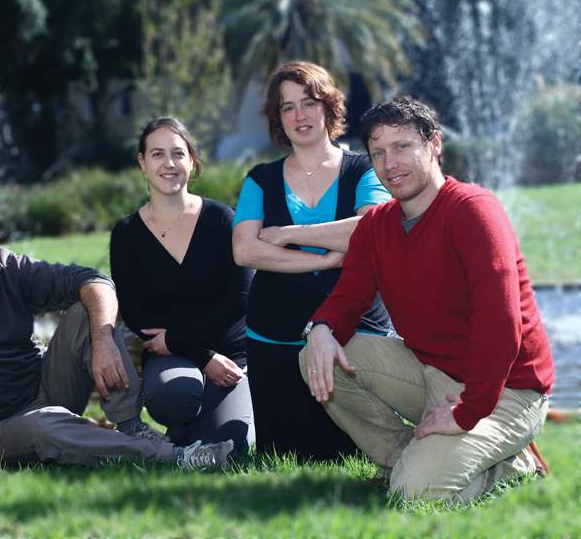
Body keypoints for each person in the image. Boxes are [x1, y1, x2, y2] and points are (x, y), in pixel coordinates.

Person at [0, 188, 234, 470]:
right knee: (44, 425)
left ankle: (131, 427)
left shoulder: (8, 267)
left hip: (45, 391)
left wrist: (102, 341)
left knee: (91, 311)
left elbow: (93, 280)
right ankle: (175, 457)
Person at [301, 96, 554, 503]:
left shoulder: (473, 211)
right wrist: (321, 329)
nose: (390, 163)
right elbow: (348, 298)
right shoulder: (375, 226)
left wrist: (467, 413)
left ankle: (512, 465)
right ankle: (401, 458)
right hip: (431, 371)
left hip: (508, 388)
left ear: (434, 144)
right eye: (378, 153)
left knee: (415, 494)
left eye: (402, 146)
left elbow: (502, 325)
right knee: (317, 356)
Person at [232, 61, 392, 459]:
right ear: (278, 118)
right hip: (275, 340)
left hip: (354, 335)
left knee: (354, 451)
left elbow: (369, 231)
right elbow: (245, 250)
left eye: (309, 102)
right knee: (283, 455)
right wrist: (332, 258)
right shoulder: (260, 179)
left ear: (328, 107)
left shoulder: (362, 169)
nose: (300, 115)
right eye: (287, 107)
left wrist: (288, 236)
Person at [111, 117, 255, 455]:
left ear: (191, 160)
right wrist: (200, 355)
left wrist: (183, 341)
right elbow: (134, 312)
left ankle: (193, 436)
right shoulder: (127, 233)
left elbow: (240, 300)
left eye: (178, 153)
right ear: (142, 163)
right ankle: (184, 424)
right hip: (174, 355)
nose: (169, 164)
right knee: (173, 395)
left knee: (233, 445)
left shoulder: (222, 219)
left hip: (232, 356)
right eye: (157, 154)